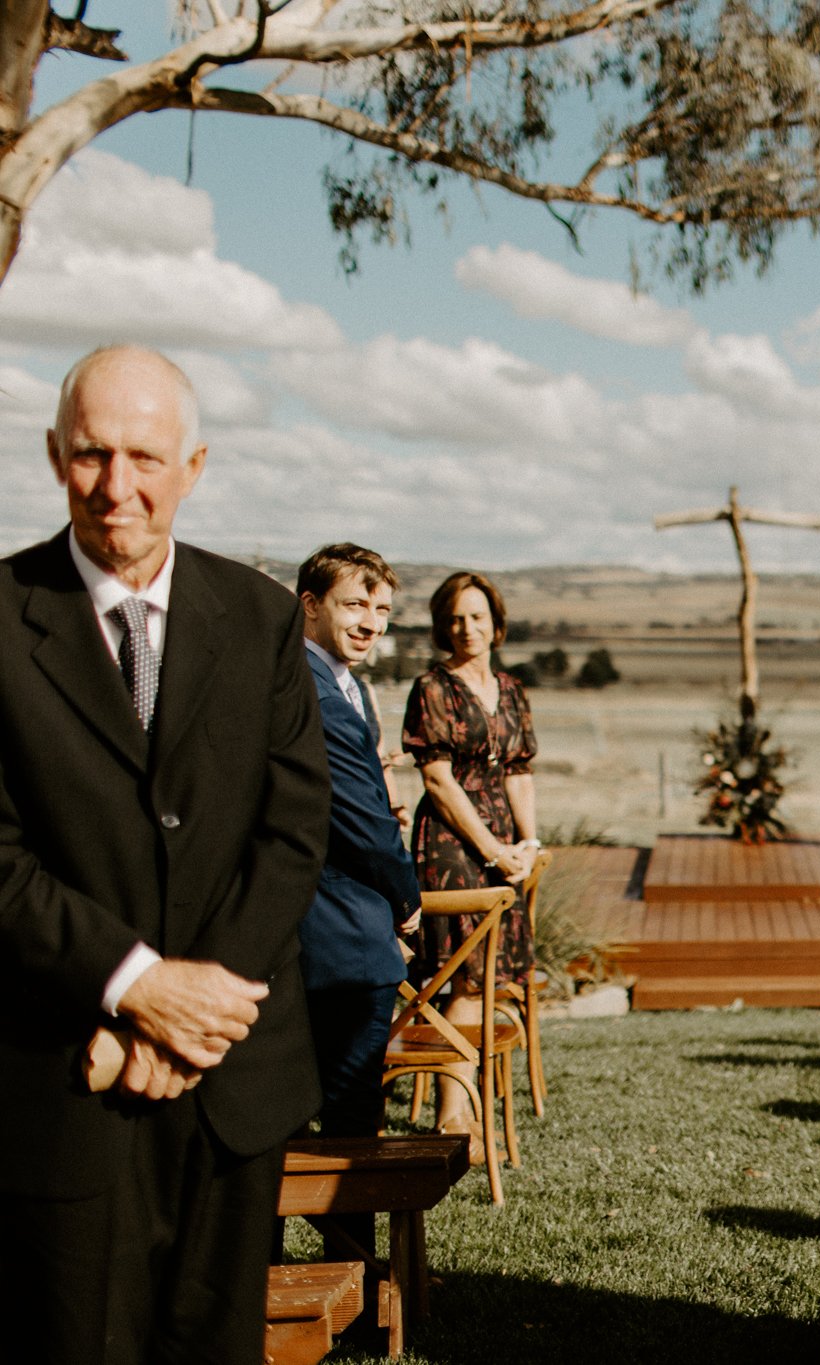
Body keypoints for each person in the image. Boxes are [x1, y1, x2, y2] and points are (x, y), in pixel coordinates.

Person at [0, 346, 329, 1363]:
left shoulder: (262, 618)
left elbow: (292, 831)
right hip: (65, 1077)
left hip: (232, 1083)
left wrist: (192, 1015)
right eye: (91, 453)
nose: (117, 486)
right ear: (54, 455)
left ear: (194, 466)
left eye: (145, 456)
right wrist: (136, 985)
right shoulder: (2, 619)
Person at [297, 543, 422, 1258]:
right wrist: (406, 899)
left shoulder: (345, 686)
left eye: (381, 609)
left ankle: (341, 1270)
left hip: (338, 924)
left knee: (330, 1119)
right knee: (346, 1121)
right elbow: (363, 826)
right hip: (337, 933)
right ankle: (354, 1277)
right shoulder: (313, 691)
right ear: (310, 604)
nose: (371, 621)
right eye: (354, 604)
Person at [402, 570, 539, 1152]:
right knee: (462, 975)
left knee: (486, 981)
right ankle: (453, 1116)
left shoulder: (511, 688)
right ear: (443, 625)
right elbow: (438, 780)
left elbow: (519, 772)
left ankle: (472, 1105)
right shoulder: (432, 688)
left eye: (477, 616)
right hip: (452, 841)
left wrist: (528, 844)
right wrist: (491, 850)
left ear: (496, 623)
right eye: (456, 618)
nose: (467, 628)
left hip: (503, 840)